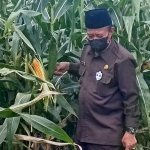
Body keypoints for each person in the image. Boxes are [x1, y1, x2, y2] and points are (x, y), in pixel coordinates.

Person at [54, 8, 139, 150]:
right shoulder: (88, 49)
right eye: (90, 36)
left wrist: (130, 131)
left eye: (98, 35)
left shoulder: (122, 60)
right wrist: (69, 66)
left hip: (106, 137)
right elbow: (89, 71)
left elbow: (131, 98)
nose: (94, 40)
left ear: (110, 31)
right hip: (83, 131)